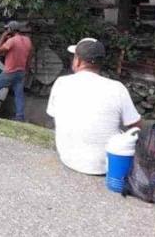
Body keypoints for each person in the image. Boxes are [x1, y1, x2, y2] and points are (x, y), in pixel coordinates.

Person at [46, 37, 142, 175]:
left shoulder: (61, 83)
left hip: (67, 158)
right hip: (107, 167)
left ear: (78, 61)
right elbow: (136, 127)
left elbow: (54, 115)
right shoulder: (117, 88)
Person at [0, 21, 33, 120]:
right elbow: (30, 56)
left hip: (10, 72)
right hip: (21, 72)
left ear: (11, 30)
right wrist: (26, 69)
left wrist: (3, 37)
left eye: (7, 29)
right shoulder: (27, 40)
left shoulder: (11, 41)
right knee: (19, 94)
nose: (6, 31)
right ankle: (20, 116)